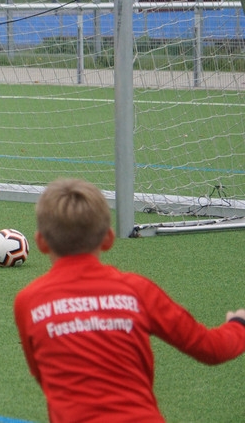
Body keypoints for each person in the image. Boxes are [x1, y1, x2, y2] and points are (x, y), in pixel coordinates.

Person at [14, 178, 245, 422]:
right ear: (108, 238)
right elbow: (211, 349)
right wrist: (239, 324)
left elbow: (43, 375)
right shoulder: (137, 290)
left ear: (40, 242)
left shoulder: (28, 301)